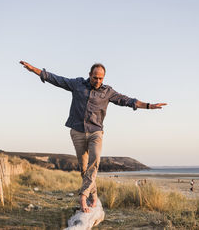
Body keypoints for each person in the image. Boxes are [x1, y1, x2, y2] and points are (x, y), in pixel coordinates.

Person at [19, 61, 168, 213]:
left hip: (96, 132)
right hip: (77, 131)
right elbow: (56, 79)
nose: (98, 81)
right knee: (84, 169)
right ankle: (93, 195)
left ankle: (83, 197)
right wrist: (34, 70)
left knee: (94, 160)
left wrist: (149, 106)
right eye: (95, 77)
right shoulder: (77, 84)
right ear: (89, 75)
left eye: (101, 78)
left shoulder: (108, 92)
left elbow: (128, 101)